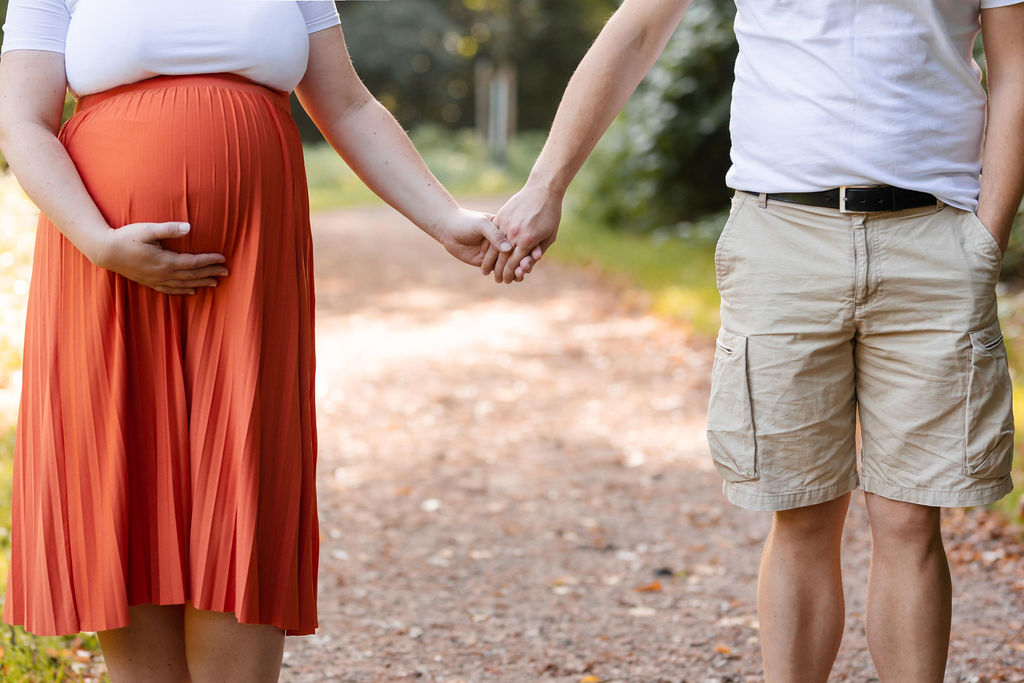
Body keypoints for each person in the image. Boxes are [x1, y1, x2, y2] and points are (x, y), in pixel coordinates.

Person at [489, 0, 1024, 679]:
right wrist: (547, 183)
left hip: (935, 239)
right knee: (800, 512)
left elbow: (1016, 68)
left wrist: (985, 239)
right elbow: (637, 30)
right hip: (781, 239)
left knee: (912, 520)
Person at [0, 1, 513, 681]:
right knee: (126, 483)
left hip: (253, 272)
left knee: (244, 482)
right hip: (104, 267)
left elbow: (348, 107)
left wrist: (444, 218)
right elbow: (22, 121)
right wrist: (99, 241)